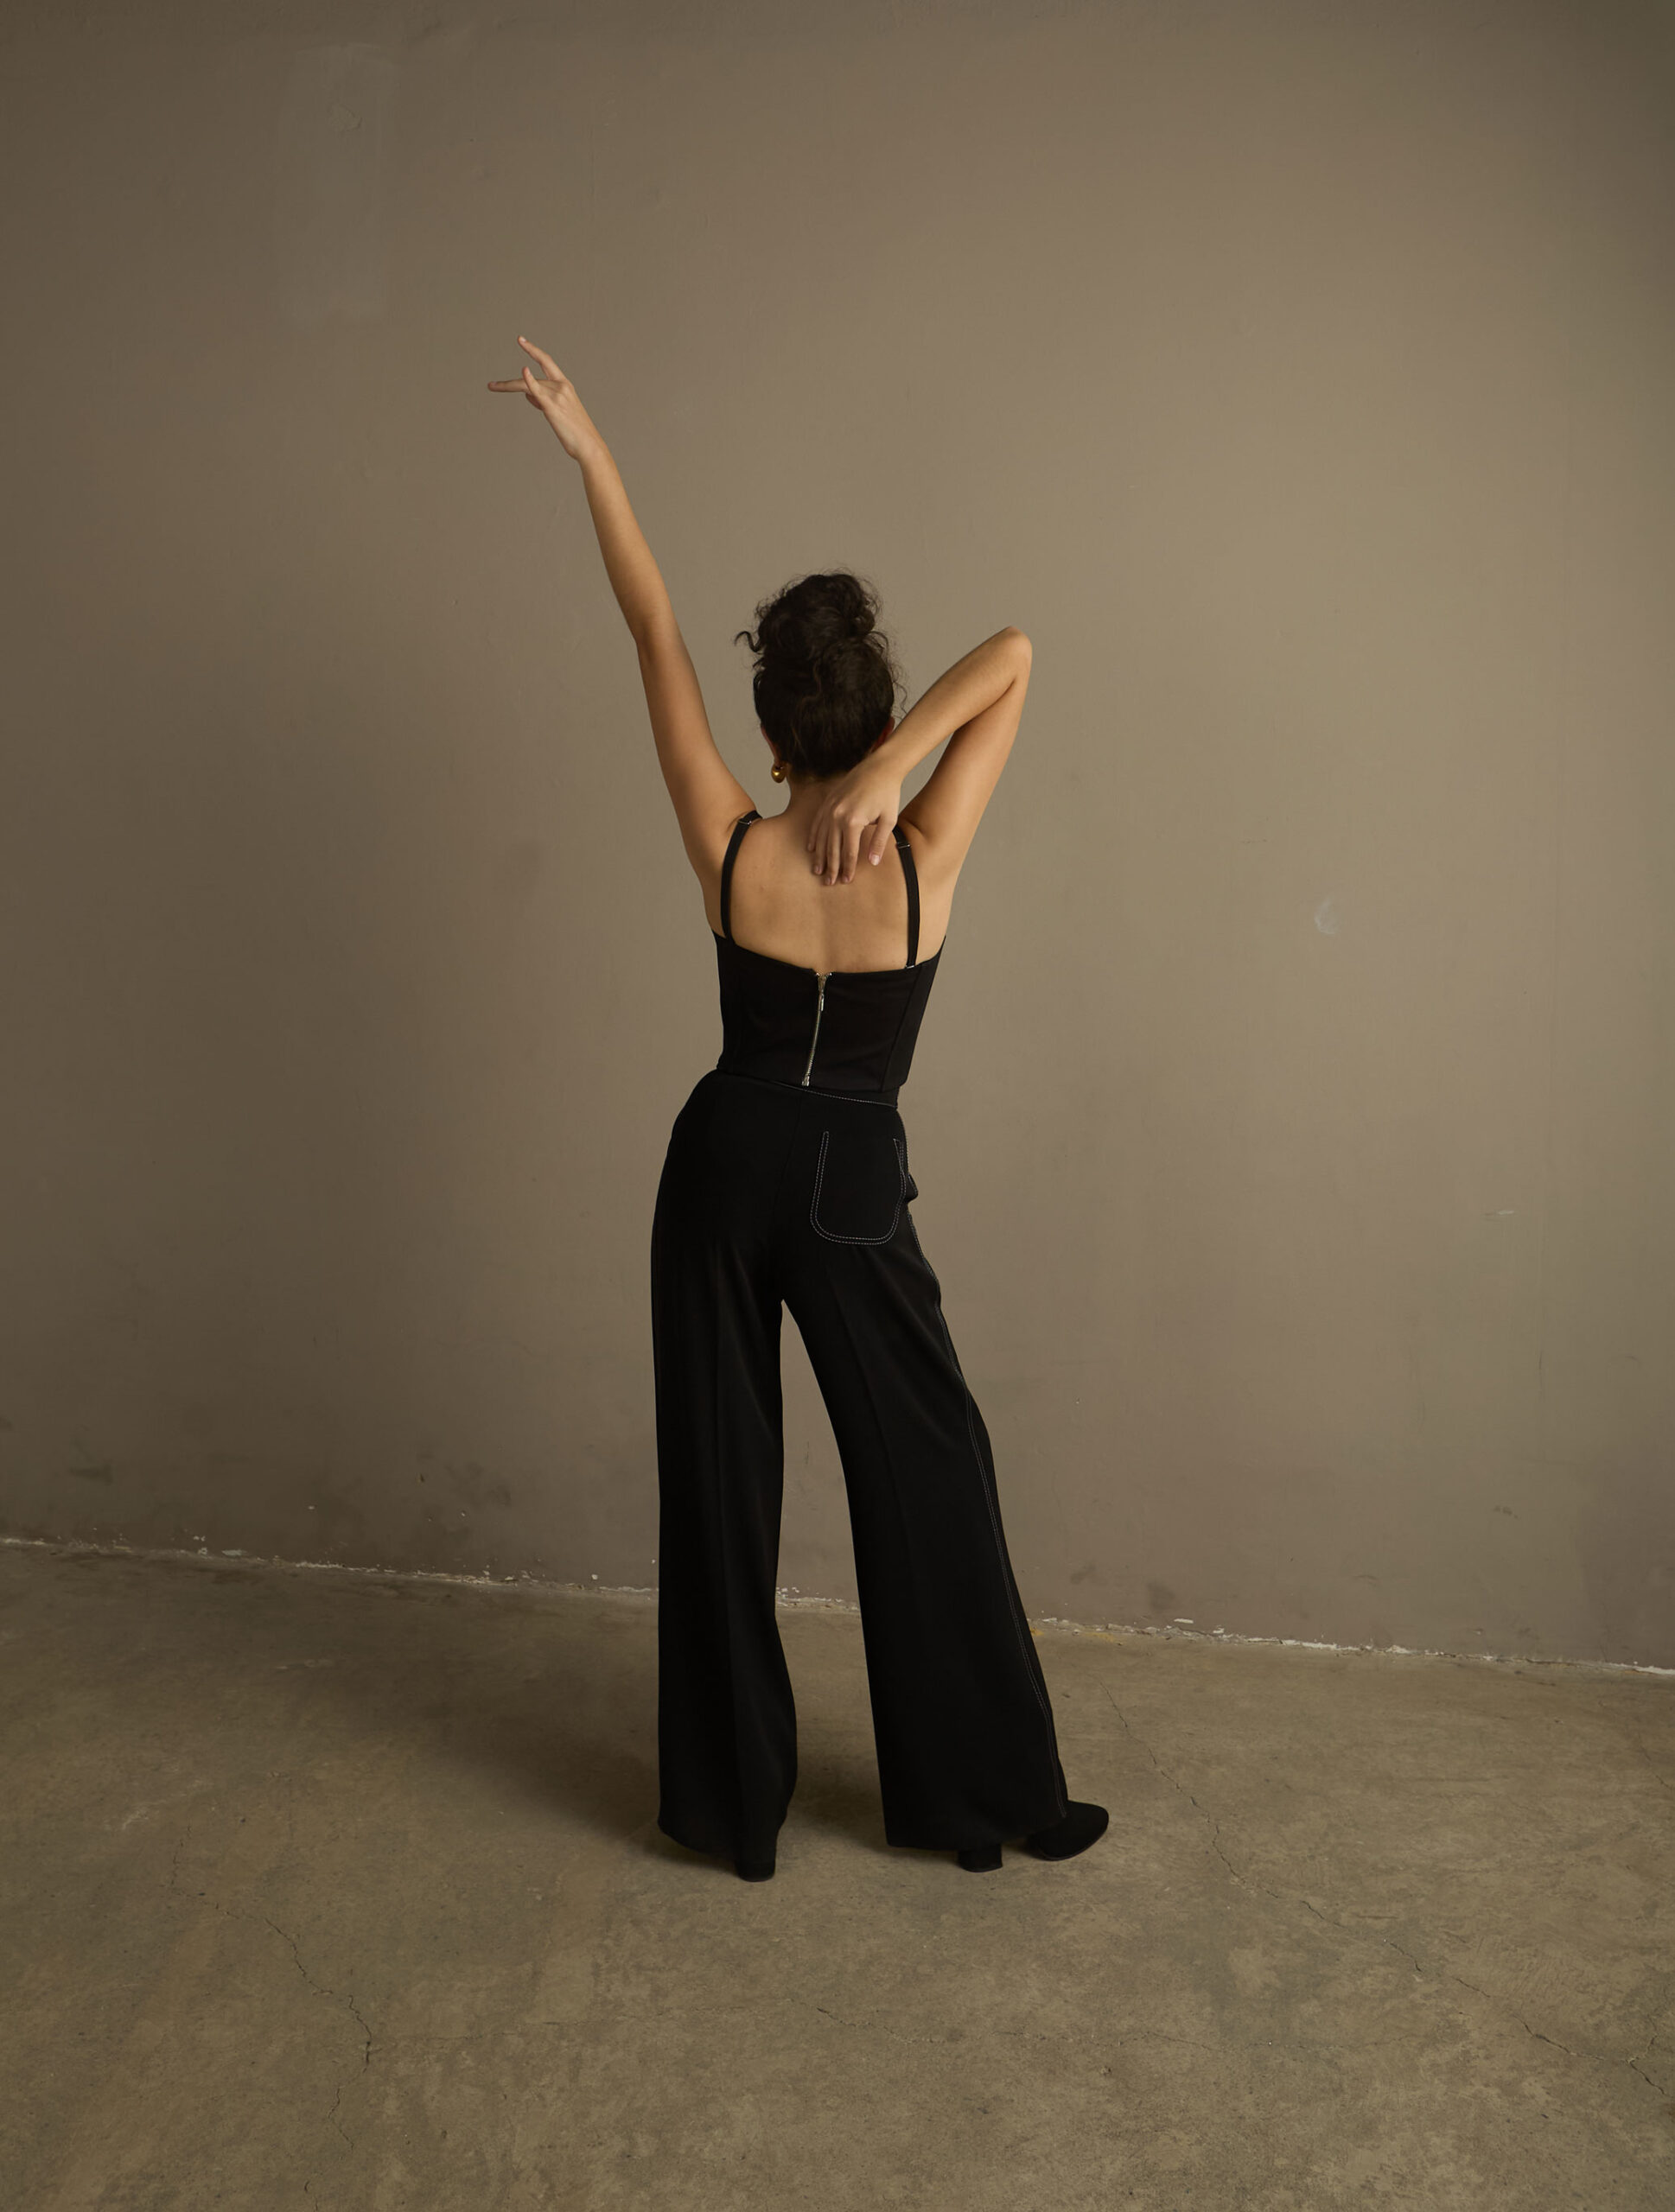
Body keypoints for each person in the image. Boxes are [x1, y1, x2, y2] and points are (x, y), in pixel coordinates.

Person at [490, 336, 1108, 1882]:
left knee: (720, 1484)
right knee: (928, 1471)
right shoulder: (924, 854)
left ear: (769, 736)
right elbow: (1017, 651)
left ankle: (729, 1814)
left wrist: (590, 449)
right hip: (848, 1178)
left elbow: (649, 625)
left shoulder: (731, 843)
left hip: (717, 1163)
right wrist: (900, 767)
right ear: (880, 714)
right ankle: (980, 1804)